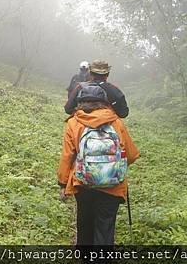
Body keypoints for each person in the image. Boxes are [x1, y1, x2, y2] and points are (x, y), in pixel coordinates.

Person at [57, 88, 140, 247]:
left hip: (83, 183)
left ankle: (84, 254)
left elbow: (67, 156)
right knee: (105, 225)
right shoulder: (116, 122)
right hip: (113, 185)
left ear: (80, 103)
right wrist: (114, 167)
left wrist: (63, 183)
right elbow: (131, 154)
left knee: (85, 220)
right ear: (104, 103)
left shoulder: (74, 123)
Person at [64, 60, 129, 118]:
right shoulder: (114, 89)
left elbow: (68, 109)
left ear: (90, 73)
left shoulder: (80, 87)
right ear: (108, 74)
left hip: (82, 124)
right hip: (107, 123)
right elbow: (123, 113)